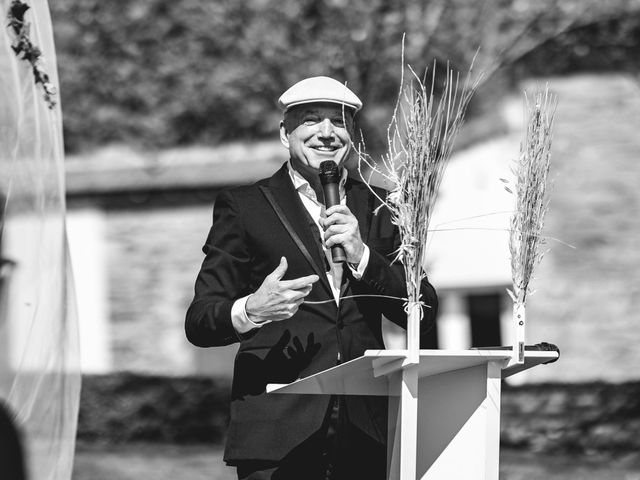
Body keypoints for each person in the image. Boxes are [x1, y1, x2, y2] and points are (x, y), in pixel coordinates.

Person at [185, 76, 438, 479]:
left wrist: (363, 256)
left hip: (365, 432)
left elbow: (424, 309)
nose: (326, 132)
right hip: (276, 432)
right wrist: (251, 309)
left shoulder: (380, 205)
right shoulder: (244, 206)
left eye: (339, 121)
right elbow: (200, 321)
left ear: (352, 135)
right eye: (310, 120)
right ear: (285, 134)